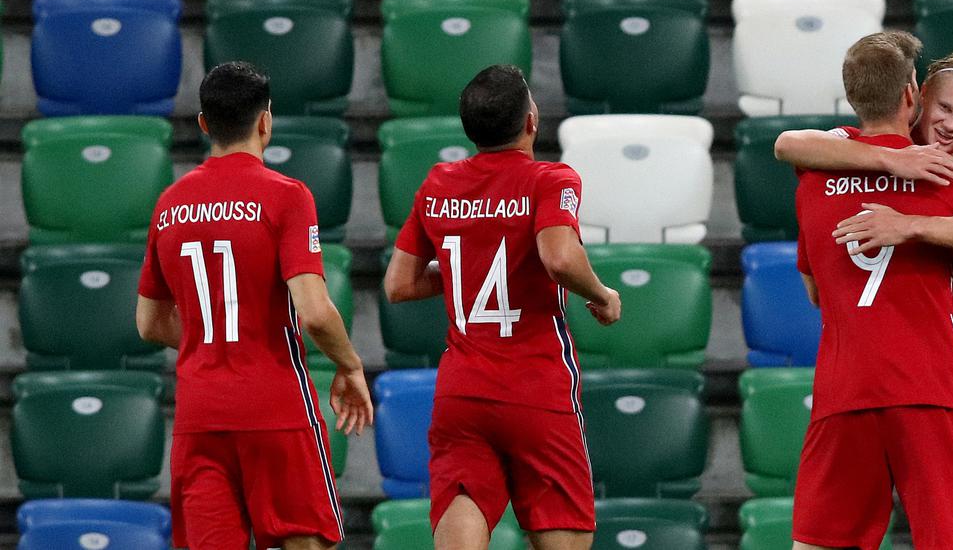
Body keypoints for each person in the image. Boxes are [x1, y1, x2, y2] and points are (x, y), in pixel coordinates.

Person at [135, 61, 374, 550]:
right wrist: (349, 365)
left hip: (200, 415)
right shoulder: (286, 197)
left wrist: (213, 332)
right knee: (306, 542)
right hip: (276, 408)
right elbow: (314, 311)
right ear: (266, 121)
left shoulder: (170, 203)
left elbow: (149, 322)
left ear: (203, 124)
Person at [384, 64, 622, 550]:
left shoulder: (439, 184)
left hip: (463, 389)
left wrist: (461, 271)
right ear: (531, 120)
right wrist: (601, 294)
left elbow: (399, 285)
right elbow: (558, 257)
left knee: (463, 502)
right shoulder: (551, 179)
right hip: (536, 385)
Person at [791, 32, 953, 550]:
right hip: (929, 387)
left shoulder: (813, 178)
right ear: (912, 95)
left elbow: (814, 287)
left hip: (844, 388)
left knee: (821, 543)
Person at [775, 49, 953, 400]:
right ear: (920, 93)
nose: (952, 125)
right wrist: (893, 159)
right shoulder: (861, 146)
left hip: (952, 365)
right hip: (866, 368)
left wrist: (914, 223)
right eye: (945, 108)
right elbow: (787, 145)